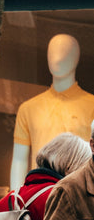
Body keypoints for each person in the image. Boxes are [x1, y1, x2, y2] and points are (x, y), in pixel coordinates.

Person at [10, 34, 94, 192]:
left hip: (78, 193)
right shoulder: (29, 108)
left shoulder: (92, 106)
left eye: (65, 52)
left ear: (77, 58)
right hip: (38, 193)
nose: (58, 57)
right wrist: (16, 202)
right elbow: (19, 161)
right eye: (53, 52)